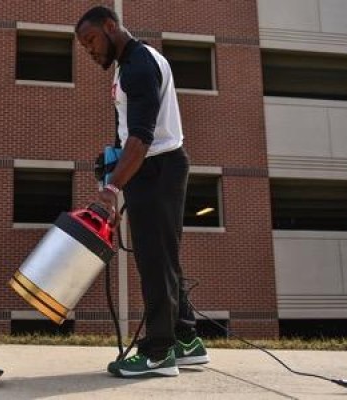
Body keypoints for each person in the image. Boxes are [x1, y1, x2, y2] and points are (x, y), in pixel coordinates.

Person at [76, 6, 210, 378]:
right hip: (152, 169)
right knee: (164, 259)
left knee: (154, 262)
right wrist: (116, 168)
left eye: (91, 40)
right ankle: (186, 341)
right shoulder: (134, 61)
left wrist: (112, 188)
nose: (89, 50)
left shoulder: (137, 66)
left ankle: (159, 351)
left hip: (157, 169)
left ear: (110, 26)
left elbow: (140, 137)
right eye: (84, 46)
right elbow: (129, 135)